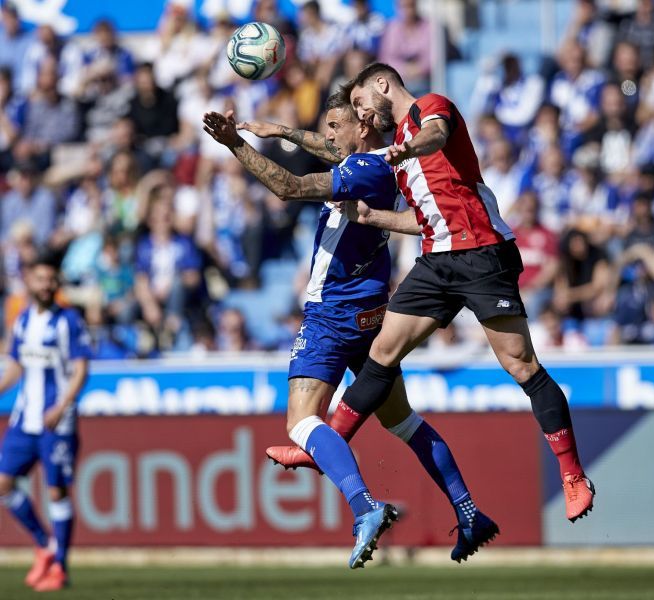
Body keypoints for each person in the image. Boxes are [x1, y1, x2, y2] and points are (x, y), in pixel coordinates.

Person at [202, 93, 497, 565]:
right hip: (372, 312)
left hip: (332, 312)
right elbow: (331, 149)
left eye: (338, 126)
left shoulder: (364, 171)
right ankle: (469, 512)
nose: (331, 136)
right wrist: (282, 131)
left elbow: (289, 187)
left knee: (300, 421)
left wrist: (234, 144)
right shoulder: (382, 160)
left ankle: (364, 507)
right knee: (403, 421)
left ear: (363, 124)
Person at [344, 62, 594, 522]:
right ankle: (329, 443)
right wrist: (373, 217)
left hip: (481, 252)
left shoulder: (429, 109)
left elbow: (436, 137)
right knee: (382, 350)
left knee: (521, 365)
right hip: (437, 259)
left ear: (382, 84)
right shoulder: (400, 147)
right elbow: (424, 219)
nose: (361, 113)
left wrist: (402, 152)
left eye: (360, 101)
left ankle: (574, 474)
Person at [0, 253, 91, 592]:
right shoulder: (22, 321)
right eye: (40, 279)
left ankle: (61, 568)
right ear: (30, 282)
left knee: (57, 491)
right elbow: (16, 366)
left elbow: (82, 368)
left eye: (51, 279)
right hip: (25, 419)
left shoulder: (69, 321)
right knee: (3, 485)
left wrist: (62, 405)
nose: (46, 285)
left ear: (57, 284)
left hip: (57, 422)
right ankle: (44, 544)